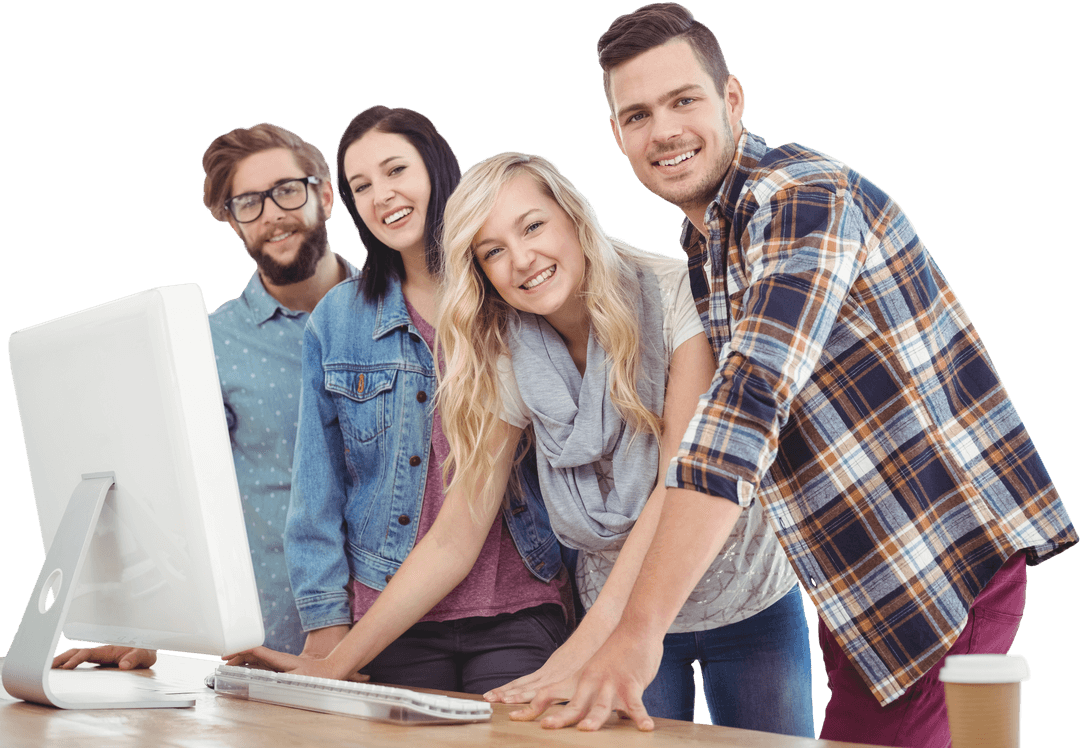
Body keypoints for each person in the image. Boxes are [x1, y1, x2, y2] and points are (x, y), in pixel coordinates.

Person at [516, 4, 1078, 743]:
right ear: (617, 134)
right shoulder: (710, 239)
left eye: (683, 100)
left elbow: (745, 411)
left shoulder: (801, 200)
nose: (664, 132)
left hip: (938, 571)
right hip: (862, 582)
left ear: (733, 99)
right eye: (638, 115)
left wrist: (636, 633)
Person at [435, 151, 813, 735]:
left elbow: (678, 482)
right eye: (492, 251)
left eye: (532, 226)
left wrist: (575, 653)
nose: (522, 259)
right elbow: (458, 529)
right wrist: (333, 663)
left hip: (743, 592)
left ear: (573, 215)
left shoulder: (674, 291)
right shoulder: (506, 347)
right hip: (611, 611)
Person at [227, 106, 570, 694]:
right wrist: (327, 626)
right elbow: (317, 491)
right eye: (361, 186)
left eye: (395, 170)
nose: (381, 195)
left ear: (435, 169)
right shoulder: (338, 319)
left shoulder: (510, 292)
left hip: (514, 603)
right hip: (387, 616)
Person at [53, 123, 358, 671]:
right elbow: (172, 497)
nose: (271, 214)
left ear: (326, 195)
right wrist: (148, 623)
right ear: (233, 222)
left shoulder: (401, 313)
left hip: (412, 631)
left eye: (287, 190)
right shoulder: (210, 345)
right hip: (274, 643)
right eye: (248, 203)